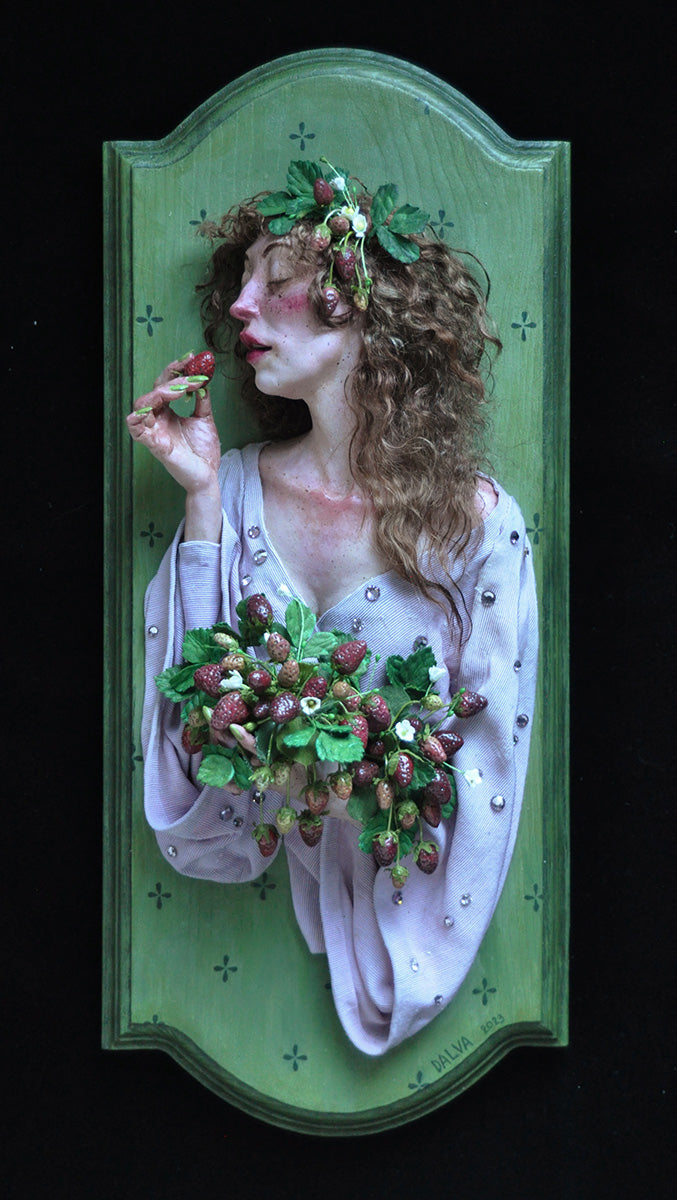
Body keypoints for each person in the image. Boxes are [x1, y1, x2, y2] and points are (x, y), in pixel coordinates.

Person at [127, 160, 538, 1057]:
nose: (241, 307)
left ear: (364, 308)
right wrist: (200, 498)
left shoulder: (475, 522)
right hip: (217, 971)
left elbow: (488, 762)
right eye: (239, 284)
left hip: (415, 926)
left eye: (276, 280)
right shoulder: (232, 488)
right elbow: (187, 724)